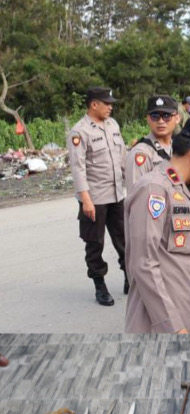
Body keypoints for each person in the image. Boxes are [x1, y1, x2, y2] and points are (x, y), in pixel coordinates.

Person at [124, 119, 190, 334]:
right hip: (159, 325)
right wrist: (171, 325)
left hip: (189, 315)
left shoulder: (188, 190)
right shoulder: (154, 189)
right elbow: (144, 264)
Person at [68, 86, 128, 306]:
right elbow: (78, 168)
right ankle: (100, 286)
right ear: (94, 104)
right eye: (107, 103)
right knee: (94, 244)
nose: (110, 107)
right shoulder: (80, 131)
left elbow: (122, 158)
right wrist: (86, 200)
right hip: (95, 198)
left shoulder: (113, 125)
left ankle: (129, 277)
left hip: (116, 195)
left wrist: (132, 184)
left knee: (124, 239)